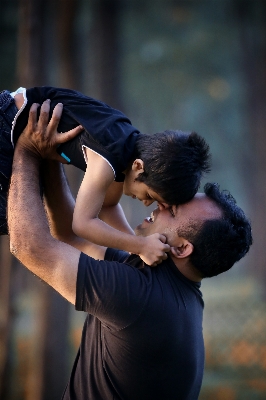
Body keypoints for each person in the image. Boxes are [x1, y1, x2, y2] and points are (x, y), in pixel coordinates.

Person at [8, 101, 252, 399]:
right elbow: (71, 237)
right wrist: (51, 155)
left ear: (183, 248)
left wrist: (26, 151)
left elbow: (29, 247)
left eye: (172, 210)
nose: (160, 205)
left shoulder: (142, 298)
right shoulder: (163, 280)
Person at [0, 87, 211, 265]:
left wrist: (133, 247)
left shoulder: (127, 152)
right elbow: (82, 223)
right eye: (150, 195)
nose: (146, 204)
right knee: (14, 216)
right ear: (139, 167)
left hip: (14, 124)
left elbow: (107, 205)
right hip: (9, 123)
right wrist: (140, 246)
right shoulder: (108, 158)